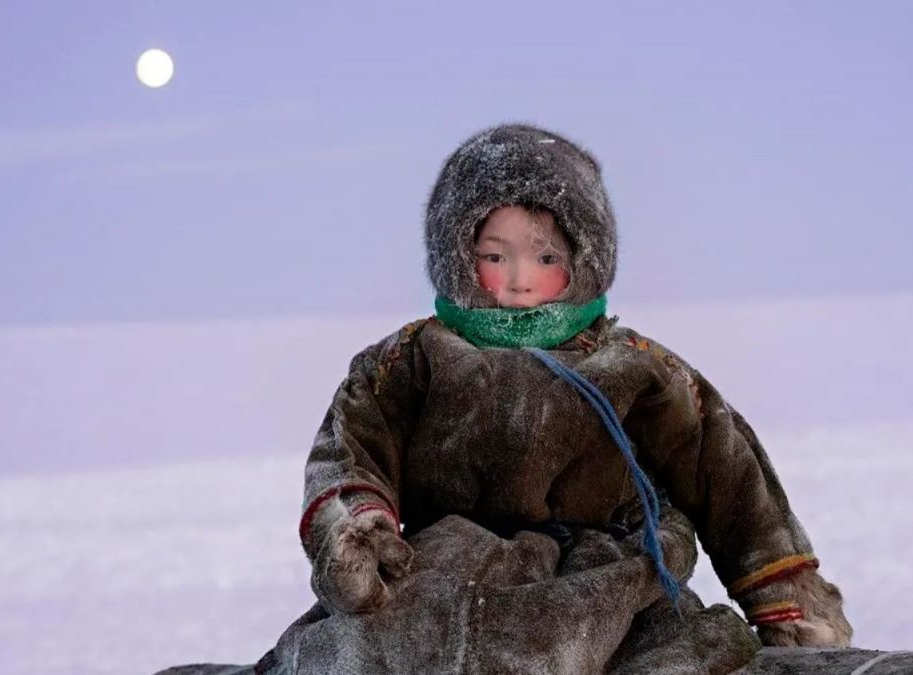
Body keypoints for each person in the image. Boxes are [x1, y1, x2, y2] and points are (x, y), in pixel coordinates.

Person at [161, 123, 852, 675]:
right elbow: (350, 451)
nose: (521, 276)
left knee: (657, 656)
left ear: (584, 258)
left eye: (546, 256)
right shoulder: (408, 360)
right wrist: (359, 529)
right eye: (496, 253)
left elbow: (729, 478)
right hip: (436, 574)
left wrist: (783, 595)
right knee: (361, 649)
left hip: (601, 580)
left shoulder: (634, 367)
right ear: (459, 253)